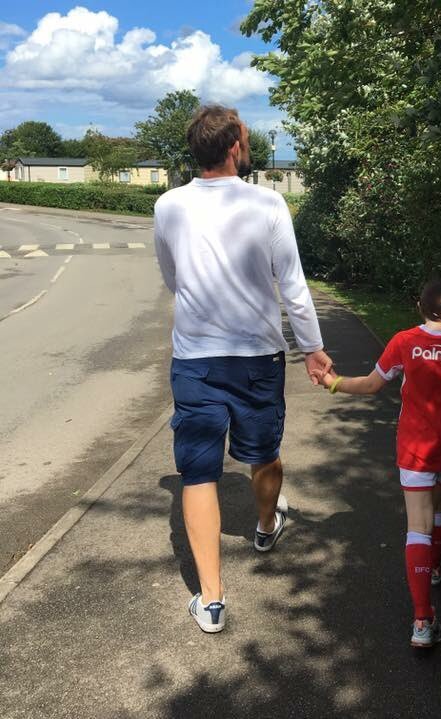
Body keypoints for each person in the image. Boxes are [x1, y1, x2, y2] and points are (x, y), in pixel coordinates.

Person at [153, 105, 332, 634]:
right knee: (263, 453)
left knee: (198, 471)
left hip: (195, 359)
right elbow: (293, 287)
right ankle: (262, 525)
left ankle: (211, 600)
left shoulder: (168, 206)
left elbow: (172, 276)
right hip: (257, 357)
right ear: (234, 146)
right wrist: (314, 349)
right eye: (246, 139)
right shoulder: (268, 203)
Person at [316, 278, 441, 648]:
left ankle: (423, 621)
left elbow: (372, 385)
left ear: (421, 307)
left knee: (417, 525)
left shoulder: (406, 341)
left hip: (415, 446)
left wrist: (333, 383)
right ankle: (436, 569)